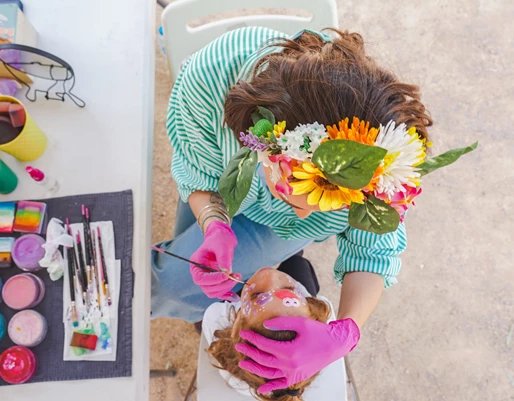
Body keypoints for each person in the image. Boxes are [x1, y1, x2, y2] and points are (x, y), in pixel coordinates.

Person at [151, 26, 474, 393]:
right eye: (295, 198)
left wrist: (346, 333)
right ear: (263, 150)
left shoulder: (381, 164)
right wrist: (214, 223)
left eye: (333, 205)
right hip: (218, 181)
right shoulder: (207, 83)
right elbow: (200, 176)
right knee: (174, 284)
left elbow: (373, 253)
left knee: (187, 284)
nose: (305, 221)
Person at [203, 264, 352, 401]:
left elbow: (211, 314)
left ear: (236, 325)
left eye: (257, 295)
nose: (271, 276)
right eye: (290, 288)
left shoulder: (217, 316)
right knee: (298, 263)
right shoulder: (326, 339)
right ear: (314, 310)